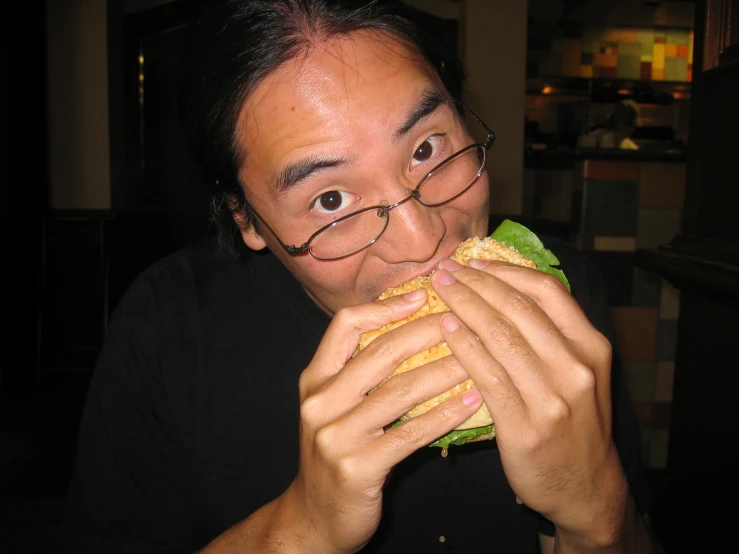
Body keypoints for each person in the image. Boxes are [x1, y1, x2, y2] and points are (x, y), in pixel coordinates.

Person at [62, 1, 660, 552]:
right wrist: (303, 528)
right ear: (245, 217)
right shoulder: (167, 328)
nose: (421, 239)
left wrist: (597, 513)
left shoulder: (562, 291)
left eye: (426, 148)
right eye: (330, 200)